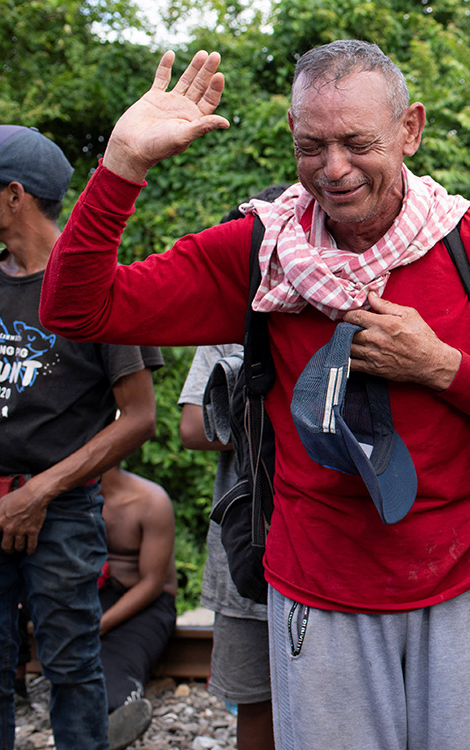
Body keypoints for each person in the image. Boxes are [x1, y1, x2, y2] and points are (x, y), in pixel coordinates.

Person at [39, 41, 470, 749]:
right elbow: (77, 311)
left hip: (464, 584)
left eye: (358, 142)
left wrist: (442, 367)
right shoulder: (262, 250)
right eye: (311, 145)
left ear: (410, 129)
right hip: (319, 590)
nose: (335, 169)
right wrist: (123, 166)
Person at [0, 124, 161, 750]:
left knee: (70, 669)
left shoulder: (93, 283)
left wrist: (39, 490)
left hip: (60, 511)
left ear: (15, 196)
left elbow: (139, 417)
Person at [176, 187, 286, 750]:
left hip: (297, 542)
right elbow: (193, 426)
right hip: (248, 547)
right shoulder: (227, 323)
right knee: (257, 704)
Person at [98, 466, 177, 749]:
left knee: (117, 664)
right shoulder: (67, 495)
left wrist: (99, 625)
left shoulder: (150, 500)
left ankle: (121, 708)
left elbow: (152, 583)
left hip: (146, 602)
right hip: (96, 595)